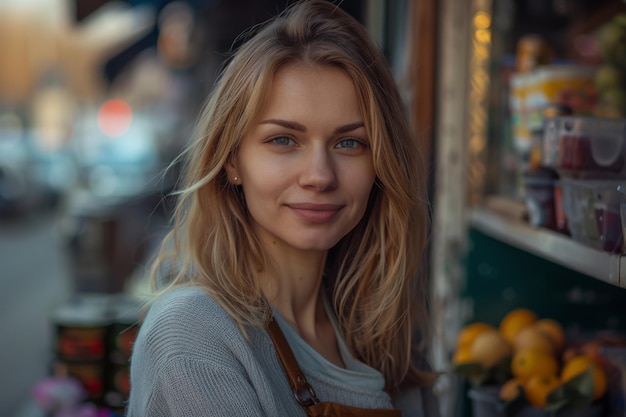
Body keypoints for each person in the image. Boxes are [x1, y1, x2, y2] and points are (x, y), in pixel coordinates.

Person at [127, 1, 440, 416]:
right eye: (283, 140)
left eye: (349, 143)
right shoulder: (194, 335)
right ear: (233, 161)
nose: (319, 175)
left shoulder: (389, 337)